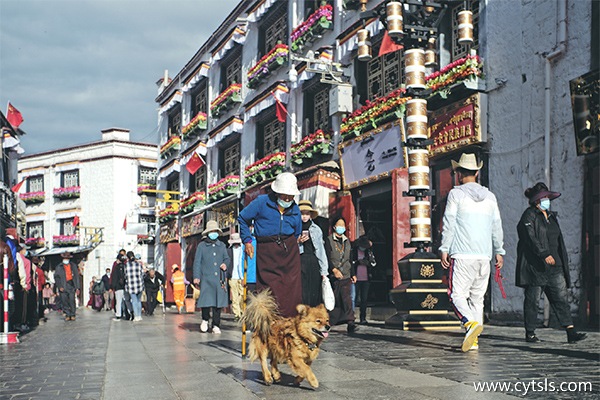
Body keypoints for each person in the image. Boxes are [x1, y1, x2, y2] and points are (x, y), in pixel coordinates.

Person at [439, 153, 505, 352]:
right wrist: (499, 250)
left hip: (462, 254)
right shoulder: (491, 197)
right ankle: (474, 340)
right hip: (484, 256)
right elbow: (497, 226)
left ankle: (469, 324)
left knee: (456, 294)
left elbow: (449, 223)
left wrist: (444, 248)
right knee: (477, 298)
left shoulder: (456, 194)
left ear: (459, 173)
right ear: (477, 172)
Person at [516, 182, 587, 344]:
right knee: (533, 300)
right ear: (536, 200)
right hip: (536, 267)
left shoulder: (551, 217)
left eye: (548, 197)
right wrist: (544, 253)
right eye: (544, 197)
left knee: (561, 298)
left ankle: (570, 331)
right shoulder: (529, 216)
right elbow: (530, 237)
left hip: (555, 266)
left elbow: (557, 240)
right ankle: (530, 333)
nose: (547, 200)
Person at [238, 172, 302, 317]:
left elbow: (297, 231)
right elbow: (242, 218)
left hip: (289, 251)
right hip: (267, 250)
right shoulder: (261, 202)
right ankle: (269, 321)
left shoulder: (295, 208)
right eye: (284, 195)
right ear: (277, 192)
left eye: (290, 196)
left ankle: (288, 323)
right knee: (268, 288)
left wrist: (289, 243)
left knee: (292, 288)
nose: (287, 199)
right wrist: (247, 240)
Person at [193, 220, 230, 334]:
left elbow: (227, 258)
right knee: (206, 301)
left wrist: (225, 264)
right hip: (206, 278)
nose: (213, 233)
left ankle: (216, 324)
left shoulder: (222, 245)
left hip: (219, 279)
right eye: (212, 231)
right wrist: (196, 276)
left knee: (218, 303)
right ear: (208, 232)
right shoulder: (202, 246)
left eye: (215, 231)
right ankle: (205, 319)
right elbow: (197, 262)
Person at [325, 217, 358, 334]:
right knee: (334, 300)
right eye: (339, 225)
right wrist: (333, 270)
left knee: (347, 298)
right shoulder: (328, 241)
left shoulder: (347, 241)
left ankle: (351, 322)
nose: (341, 227)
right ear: (334, 227)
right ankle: (329, 322)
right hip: (334, 275)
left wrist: (353, 274)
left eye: (343, 225)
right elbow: (327, 258)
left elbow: (350, 259)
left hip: (346, 274)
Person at [297, 200, 328, 307]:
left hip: (313, 261)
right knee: (301, 291)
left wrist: (324, 270)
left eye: (307, 213)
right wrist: (298, 242)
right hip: (298, 261)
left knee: (314, 290)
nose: (304, 216)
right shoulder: (294, 228)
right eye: (302, 213)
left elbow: (320, 250)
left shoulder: (316, 229)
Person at [352, 235, 377, 325]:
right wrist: (358, 262)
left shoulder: (368, 252)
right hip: (356, 278)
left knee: (364, 299)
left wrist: (368, 263)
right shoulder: (354, 251)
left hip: (366, 278)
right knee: (353, 298)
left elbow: (374, 263)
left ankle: (363, 317)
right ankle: (352, 317)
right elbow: (351, 262)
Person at [54, 252, 80, 321]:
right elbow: (56, 277)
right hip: (63, 285)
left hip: (71, 284)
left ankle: (72, 314)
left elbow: (77, 277)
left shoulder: (73, 266)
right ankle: (67, 314)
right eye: (65, 258)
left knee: (72, 300)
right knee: (64, 300)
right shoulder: (59, 267)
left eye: (67, 258)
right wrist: (59, 286)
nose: (66, 259)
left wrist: (77, 287)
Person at [227, 232, 244, 320]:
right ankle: (237, 314)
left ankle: (242, 311)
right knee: (234, 297)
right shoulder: (229, 251)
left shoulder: (243, 249)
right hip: (232, 276)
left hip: (241, 276)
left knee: (242, 295)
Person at [124, 251, 144, 322]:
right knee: (139, 301)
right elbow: (142, 274)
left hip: (131, 286)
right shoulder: (139, 264)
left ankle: (136, 316)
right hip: (139, 285)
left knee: (134, 301)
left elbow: (125, 275)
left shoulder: (126, 265)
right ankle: (139, 315)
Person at [110, 253, 128, 321]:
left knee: (118, 301)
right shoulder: (126, 266)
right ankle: (126, 314)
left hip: (118, 287)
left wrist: (112, 286)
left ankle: (118, 315)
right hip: (125, 287)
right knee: (126, 301)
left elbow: (114, 277)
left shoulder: (116, 267)